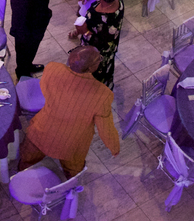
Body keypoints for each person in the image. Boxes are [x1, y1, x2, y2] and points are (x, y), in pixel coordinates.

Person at [18, 46, 120, 178]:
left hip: (40, 132)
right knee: (73, 171)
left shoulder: (52, 68)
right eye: (99, 59)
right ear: (90, 68)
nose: (100, 60)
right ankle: (70, 185)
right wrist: (114, 147)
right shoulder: (103, 94)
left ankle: (21, 177)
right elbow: (106, 128)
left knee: (27, 160)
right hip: (72, 145)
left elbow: (44, 89)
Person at [69, 0, 124, 88]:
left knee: (91, 80)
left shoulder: (97, 14)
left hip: (95, 55)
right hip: (110, 51)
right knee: (105, 73)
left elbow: (99, 43)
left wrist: (85, 31)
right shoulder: (120, 3)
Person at [10, 0, 52, 79]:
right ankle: (22, 74)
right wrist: (31, 35)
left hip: (36, 27)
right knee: (24, 54)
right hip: (26, 33)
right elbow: (22, 19)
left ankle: (28, 65)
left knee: (31, 52)